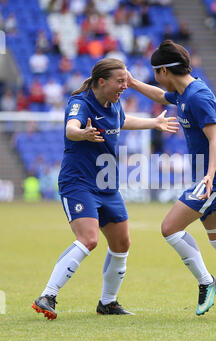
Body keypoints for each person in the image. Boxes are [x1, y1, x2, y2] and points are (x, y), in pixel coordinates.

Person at [127, 40, 216, 318]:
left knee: (169, 228)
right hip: (210, 175)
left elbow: (215, 138)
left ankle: (207, 282)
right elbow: (161, 97)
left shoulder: (197, 96)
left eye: (154, 73)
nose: (156, 79)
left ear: (163, 71)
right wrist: (133, 83)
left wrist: (208, 176)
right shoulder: (183, 93)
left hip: (215, 176)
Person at [32, 58, 178, 320]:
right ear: (102, 81)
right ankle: (48, 295)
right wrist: (83, 134)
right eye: (120, 81)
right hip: (78, 183)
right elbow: (70, 129)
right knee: (89, 239)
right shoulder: (81, 103)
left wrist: (153, 123)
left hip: (107, 186)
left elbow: (121, 121)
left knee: (122, 243)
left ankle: (108, 303)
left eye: (126, 81)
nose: (125, 86)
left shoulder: (113, 103)